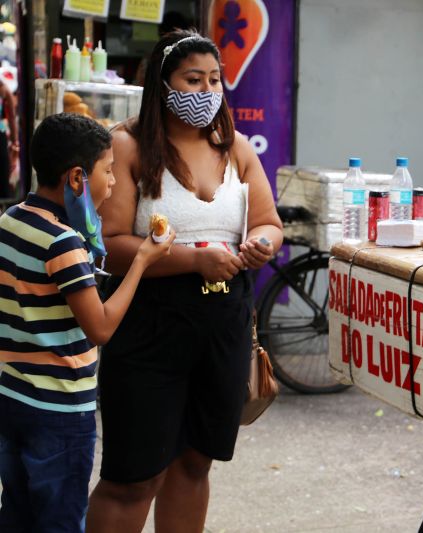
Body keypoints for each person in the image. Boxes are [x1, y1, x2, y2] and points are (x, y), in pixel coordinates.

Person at [86, 30, 283, 532]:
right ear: (163, 84)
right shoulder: (127, 145)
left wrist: (262, 243)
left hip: (224, 322)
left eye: (214, 80)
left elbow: (267, 222)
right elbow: (109, 246)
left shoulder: (234, 146)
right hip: (151, 322)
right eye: (192, 80)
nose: (206, 92)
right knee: (134, 476)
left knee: (196, 461)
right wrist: (193, 261)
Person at [0, 113, 174, 531]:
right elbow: (101, 328)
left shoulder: (11, 220)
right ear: (77, 178)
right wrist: (142, 262)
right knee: (60, 521)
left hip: (11, 398)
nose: (112, 182)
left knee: (18, 517)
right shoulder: (64, 244)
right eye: (108, 171)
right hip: (59, 410)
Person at [0, 79, 18, 199]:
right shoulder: (4, 89)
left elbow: (11, 118)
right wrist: (14, 140)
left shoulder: (4, 90)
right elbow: (11, 118)